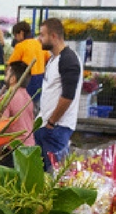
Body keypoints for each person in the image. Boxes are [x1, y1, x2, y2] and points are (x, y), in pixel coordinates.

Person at [35, 18, 82, 171]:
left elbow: (68, 96)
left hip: (57, 128)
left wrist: (52, 122)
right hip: (47, 126)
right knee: (44, 174)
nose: (39, 38)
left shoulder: (68, 59)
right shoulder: (53, 59)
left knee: (55, 175)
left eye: (42, 35)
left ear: (53, 36)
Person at [0, 60, 36, 166]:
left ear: (13, 79)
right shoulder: (28, 97)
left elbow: (1, 126)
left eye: (7, 73)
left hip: (13, 150)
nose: (5, 76)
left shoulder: (8, 97)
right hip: (29, 148)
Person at [8, 20, 48, 101]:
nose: (15, 38)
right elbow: (48, 58)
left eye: (15, 35)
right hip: (41, 79)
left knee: (25, 103)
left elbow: (11, 64)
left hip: (27, 80)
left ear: (21, 33)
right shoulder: (39, 44)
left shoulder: (20, 46)